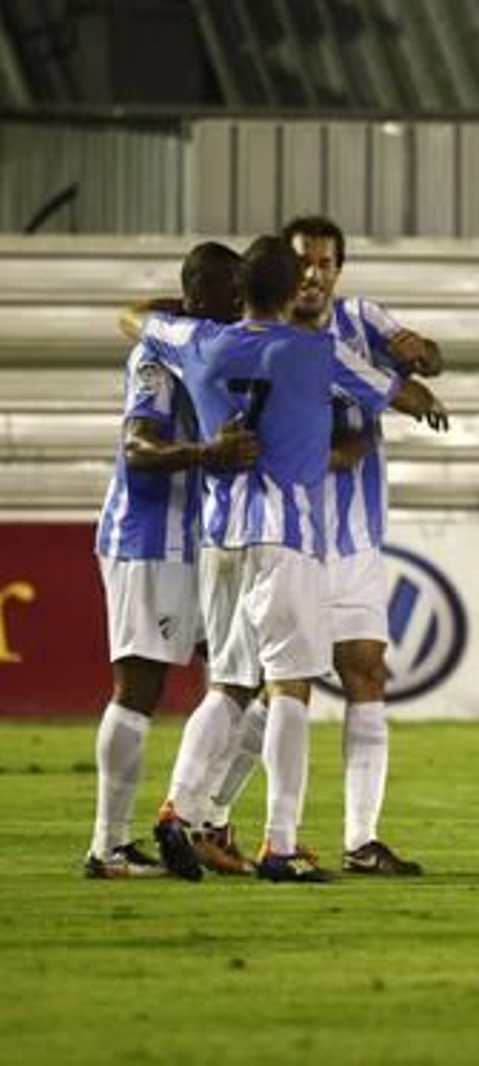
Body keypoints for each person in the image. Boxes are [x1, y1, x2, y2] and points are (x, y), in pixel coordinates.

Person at [147, 236, 419, 883]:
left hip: (220, 538)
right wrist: (425, 397)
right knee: (290, 691)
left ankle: (175, 807)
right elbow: (388, 390)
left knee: (229, 687)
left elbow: (140, 321)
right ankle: (280, 844)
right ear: (289, 289)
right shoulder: (317, 351)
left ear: (240, 290)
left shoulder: (199, 344)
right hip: (286, 536)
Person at [82, 242, 259, 879]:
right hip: (149, 536)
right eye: (226, 291)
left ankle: (205, 817)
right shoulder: (157, 357)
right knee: (140, 689)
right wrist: (208, 453)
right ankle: (110, 846)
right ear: (197, 296)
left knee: (249, 680)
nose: (237, 303)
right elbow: (139, 446)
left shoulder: (219, 343)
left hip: (207, 540)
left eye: (242, 290)